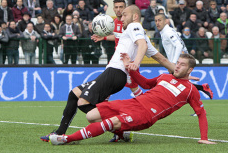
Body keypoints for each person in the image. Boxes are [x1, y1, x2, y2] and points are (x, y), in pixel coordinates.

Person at [40, 5, 176, 142]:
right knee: (74, 93)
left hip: (116, 72)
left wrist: (136, 63)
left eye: (124, 15)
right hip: (114, 74)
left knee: (83, 102)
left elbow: (142, 45)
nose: (121, 18)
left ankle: (121, 126)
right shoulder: (134, 33)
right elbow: (161, 58)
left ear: (135, 16)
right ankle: (60, 132)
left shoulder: (135, 27)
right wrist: (176, 71)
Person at [49, 54, 217, 145]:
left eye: (182, 65)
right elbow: (144, 83)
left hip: (146, 114)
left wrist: (204, 137)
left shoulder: (190, 90)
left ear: (190, 69)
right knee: (90, 116)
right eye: (177, 63)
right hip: (134, 103)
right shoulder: (165, 76)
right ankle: (122, 135)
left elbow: (201, 113)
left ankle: (67, 139)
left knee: (111, 122)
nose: (177, 66)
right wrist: (130, 66)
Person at [155, 13, 213, 98]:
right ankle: (202, 88)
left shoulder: (168, 32)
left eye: (159, 20)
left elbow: (179, 45)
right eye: (156, 21)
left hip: (177, 62)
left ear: (165, 21)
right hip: (178, 61)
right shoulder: (166, 31)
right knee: (180, 83)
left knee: (174, 83)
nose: (157, 23)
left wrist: (174, 63)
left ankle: (201, 91)